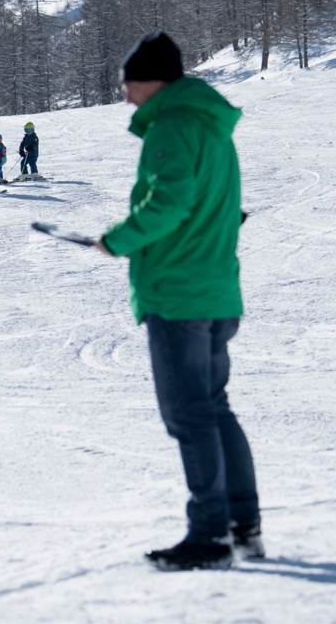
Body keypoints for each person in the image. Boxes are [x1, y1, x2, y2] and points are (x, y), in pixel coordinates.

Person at [93, 32, 262, 572]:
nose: (125, 96)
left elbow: (168, 201)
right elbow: (222, 206)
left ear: (153, 80)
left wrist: (118, 239)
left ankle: (211, 535)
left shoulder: (172, 125)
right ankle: (243, 525)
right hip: (215, 288)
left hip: (179, 292)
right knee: (214, 408)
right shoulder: (210, 125)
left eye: (128, 83)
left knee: (190, 415)